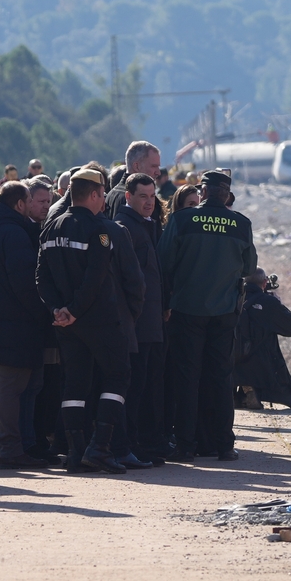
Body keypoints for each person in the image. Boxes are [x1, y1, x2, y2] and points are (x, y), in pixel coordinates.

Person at [37, 168, 143, 474]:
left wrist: (58, 309)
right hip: (98, 319)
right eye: (102, 195)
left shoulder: (51, 227)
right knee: (118, 375)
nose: (104, 201)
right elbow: (95, 278)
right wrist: (74, 309)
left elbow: (41, 277)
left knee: (75, 383)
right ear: (95, 194)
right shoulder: (99, 229)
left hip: (66, 324)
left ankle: (75, 453)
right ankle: (100, 447)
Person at [160, 168, 255, 462]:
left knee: (187, 378)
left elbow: (165, 261)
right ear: (226, 195)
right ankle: (224, 444)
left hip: (187, 309)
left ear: (202, 191)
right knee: (221, 378)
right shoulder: (241, 224)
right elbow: (249, 268)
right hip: (225, 312)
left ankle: (185, 445)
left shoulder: (181, 220)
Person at [0, 180, 53, 468]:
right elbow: (25, 284)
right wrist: (43, 314)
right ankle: (11, 450)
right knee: (9, 390)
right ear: (20, 204)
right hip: (13, 325)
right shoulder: (14, 234)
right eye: (29, 201)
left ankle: (0, 447)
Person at [113, 173, 167, 465]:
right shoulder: (125, 228)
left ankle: (140, 443)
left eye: (152, 196)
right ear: (128, 197)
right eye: (142, 196)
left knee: (145, 385)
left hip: (149, 322)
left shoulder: (146, 225)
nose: (149, 202)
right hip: (137, 325)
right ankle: (129, 445)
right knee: (133, 388)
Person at [234, 269, 291, 410]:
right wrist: (277, 305)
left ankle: (238, 394)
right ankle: (254, 391)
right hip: (262, 366)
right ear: (265, 283)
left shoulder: (233, 298)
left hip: (230, 363)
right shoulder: (267, 302)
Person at [107, 141, 162, 216]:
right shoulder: (134, 200)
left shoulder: (112, 194)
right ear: (136, 166)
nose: (158, 172)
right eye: (153, 166)